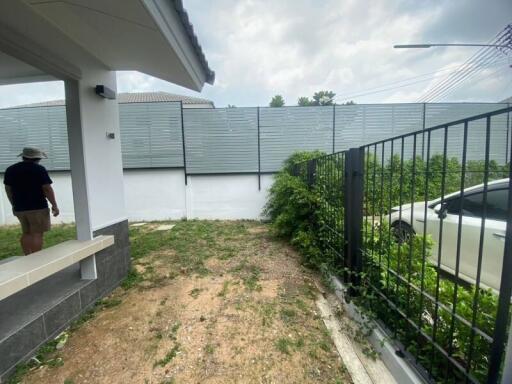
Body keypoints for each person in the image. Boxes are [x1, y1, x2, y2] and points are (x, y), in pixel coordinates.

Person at [3, 147, 59, 255]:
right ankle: (36, 259)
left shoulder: (10, 169)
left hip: (20, 208)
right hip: (38, 208)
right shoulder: (39, 169)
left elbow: (8, 189)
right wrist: (54, 205)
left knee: (26, 233)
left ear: (23, 156)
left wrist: (13, 205)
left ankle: (27, 257)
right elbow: (47, 188)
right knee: (37, 234)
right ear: (37, 158)